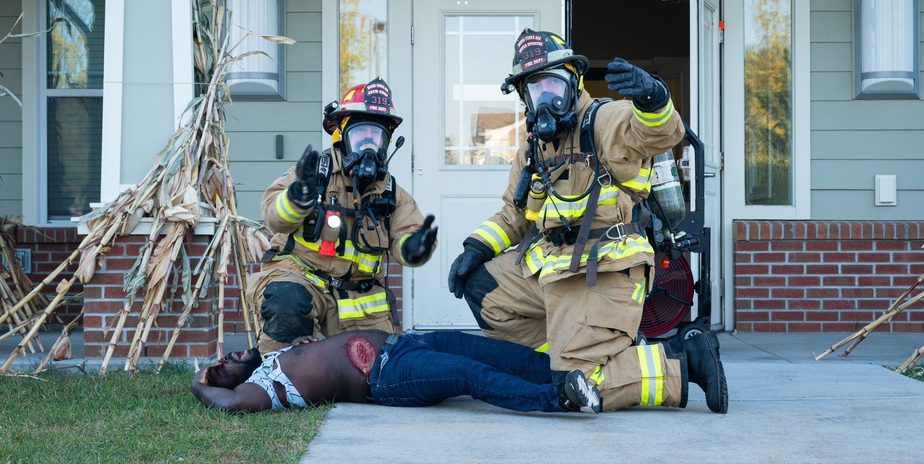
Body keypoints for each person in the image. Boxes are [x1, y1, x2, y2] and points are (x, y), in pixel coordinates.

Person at [446, 29, 728, 414]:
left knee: (574, 390)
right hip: (551, 268)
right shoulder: (534, 147)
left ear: (574, 81)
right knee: (483, 286)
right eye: (535, 91)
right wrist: (476, 246)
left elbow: (658, 132)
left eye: (553, 86)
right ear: (524, 97)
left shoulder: (603, 122)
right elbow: (516, 211)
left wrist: (654, 97)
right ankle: (566, 357)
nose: (546, 100)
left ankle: (680, 361)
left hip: (604, 269)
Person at [250, 78, 438, 353]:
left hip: (358, 298)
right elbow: (274, 216)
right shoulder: (316, 175)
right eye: (361, 136)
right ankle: (275, 380)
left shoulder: (391, 194)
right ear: (342, 136)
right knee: (286, 303)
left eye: (376, 138)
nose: (368, 147)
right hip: (300, 278)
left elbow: (408, 234)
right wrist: (298, 197)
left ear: (386, 143)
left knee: (379, 370)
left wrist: (415, 248)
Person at [191, 329, 601, 414]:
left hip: (408, 342)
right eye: (220, 368)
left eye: (221, 358)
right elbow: (226, 404)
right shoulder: (261, 389)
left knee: (503, 354)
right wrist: (199, 383)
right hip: (390, 375)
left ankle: (586, 380)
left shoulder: (275, 356)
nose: (225, 359)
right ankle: (560, 397)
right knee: (470, 374)